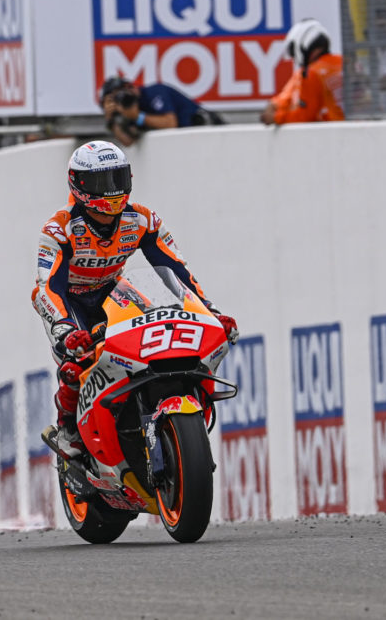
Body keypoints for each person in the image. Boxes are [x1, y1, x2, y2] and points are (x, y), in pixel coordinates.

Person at [32, 141, 239, 458]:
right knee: (77, 362)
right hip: (67, 300)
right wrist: (64, 329)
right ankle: (68, 432)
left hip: (110, 292)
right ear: (79, 184)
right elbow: (50, 286)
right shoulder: (59, 229)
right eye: (102, 182)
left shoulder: (144, 220)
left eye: (118, 179)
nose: (112, 190)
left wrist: (209, 311)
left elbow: (176, 270)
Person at [100, 76, 224, 146]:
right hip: (185, 144)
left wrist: (138, 117)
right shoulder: (125, 112)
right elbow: (128, 141)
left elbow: (170, 123)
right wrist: (112, 120)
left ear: (132, 87)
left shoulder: (154, 92)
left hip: (208, 132)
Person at [265, 20, 345, 124]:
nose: (294, 58)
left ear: (303, 45)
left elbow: (305, 116)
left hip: (332, 133)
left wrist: (276, 118)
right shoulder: (345, 62)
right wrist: (276, 104)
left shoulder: (312, 73)